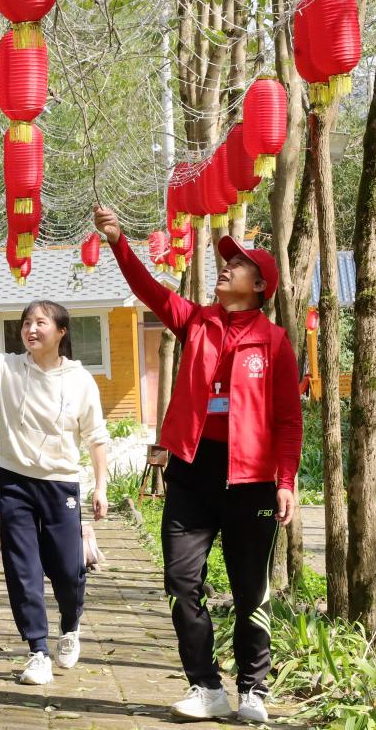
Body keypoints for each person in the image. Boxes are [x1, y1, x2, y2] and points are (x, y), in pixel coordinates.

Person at [93, 206, 303, 724]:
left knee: (250, 586)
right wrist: (120, 241)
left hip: (251, 479)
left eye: (238, 265)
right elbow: (150, 291)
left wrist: (286, 481)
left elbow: (287, 420)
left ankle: (253, 690)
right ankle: (205, 686)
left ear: (260, 286)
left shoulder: (274, 342)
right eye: (226, 261)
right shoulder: (197, 321)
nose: (225, 267)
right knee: (181, 581)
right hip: (192, 469)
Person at [0, 300, 110, 686]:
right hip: (16, 480)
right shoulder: (7, 368)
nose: (31, 329)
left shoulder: (79, 380)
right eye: (26, 323)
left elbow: (96, 437)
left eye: (40, 322)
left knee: (67, 568)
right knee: (23, 567)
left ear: (61, 331)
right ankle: (37, 649)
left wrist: (101, 487)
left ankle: (69, 626)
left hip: (61, 482)